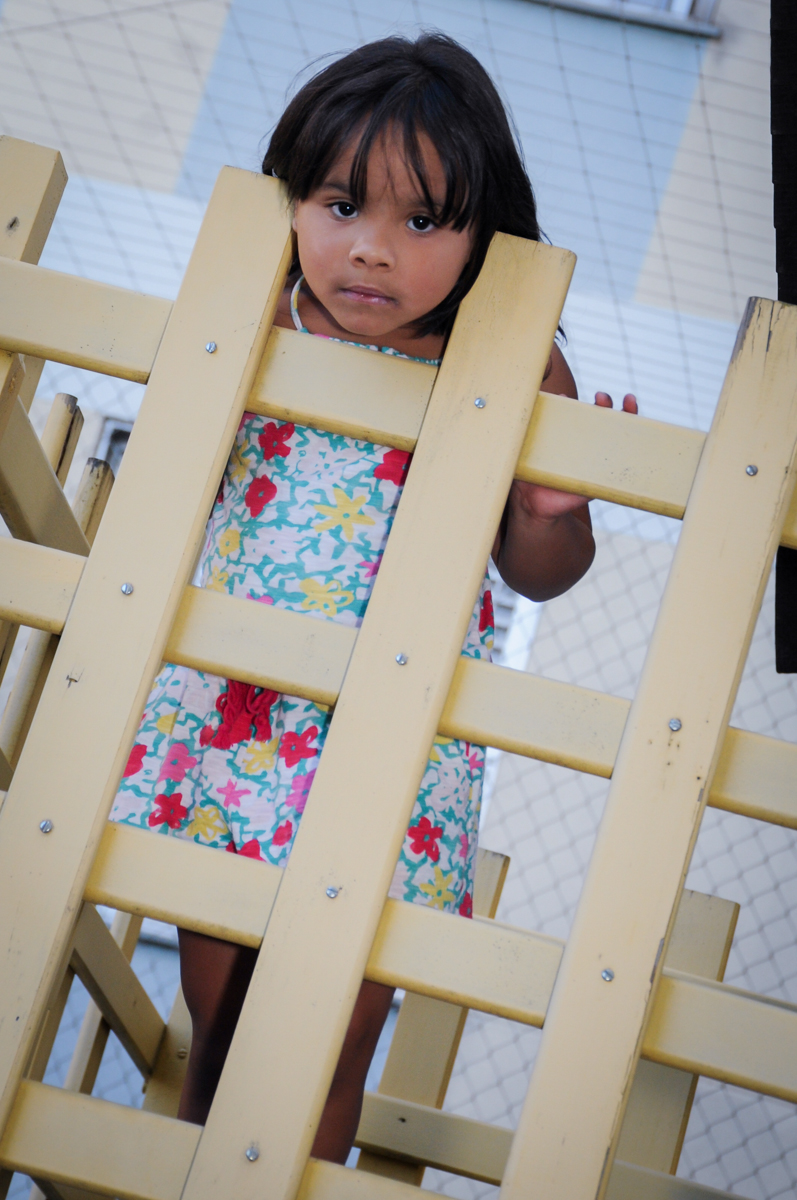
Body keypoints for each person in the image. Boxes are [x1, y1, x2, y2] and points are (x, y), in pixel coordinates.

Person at [111, 32, 637, 1164]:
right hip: (238, 716)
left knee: (331, 1032)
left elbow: (536, 570)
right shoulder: (251, 318)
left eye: (419, 222)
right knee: (226, 1009)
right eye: (341, 203)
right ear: (292, 198)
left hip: (392, 742)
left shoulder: (507, 360)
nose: (370, 249)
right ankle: (209, 1173)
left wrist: (551, 511)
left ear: (481, 233)